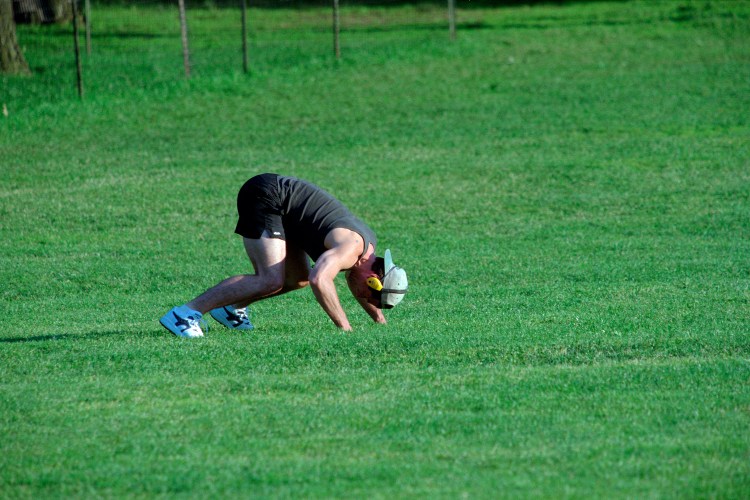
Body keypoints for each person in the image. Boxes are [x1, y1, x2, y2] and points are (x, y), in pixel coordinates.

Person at [160, 173, 408, 338]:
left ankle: (230, 310)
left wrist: (380, 321)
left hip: (286, 214)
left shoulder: (365, 251)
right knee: (270, 279)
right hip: (268, 196)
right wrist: (345, 328)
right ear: (373, 278)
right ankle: (184, 314)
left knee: (296, 278)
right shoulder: (352, 248)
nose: (359, 295)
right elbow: (320, 280)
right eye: (366, 293)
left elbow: (344, 282)